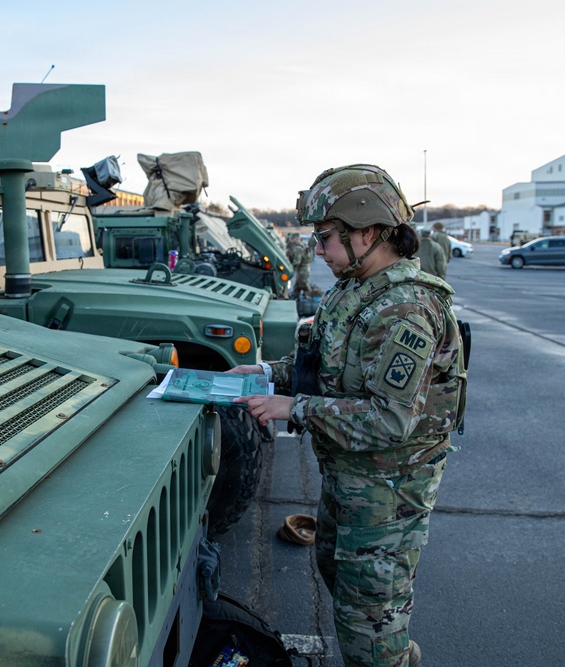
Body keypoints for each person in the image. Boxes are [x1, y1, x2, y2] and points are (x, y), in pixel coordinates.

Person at [230, 164, 466, 667]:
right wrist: (269, 373)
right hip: (351, 481)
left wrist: (293, 408)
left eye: (327, 237)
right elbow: (326, 366)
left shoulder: (405, 309)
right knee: (343, 587)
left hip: (388, 498)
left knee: (368, 629)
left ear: (368, 231)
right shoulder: (354, 290)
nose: (319, 249)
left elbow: (389, 420)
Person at [286, 232, 312, 299]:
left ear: (295, 239)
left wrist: (290, 270)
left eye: (291, 239)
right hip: (304, 268)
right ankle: (295, 297)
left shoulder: (298, 248)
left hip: (302, 269)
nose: (290, 240)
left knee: (303, 284)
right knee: (297, 285)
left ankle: (309, 296)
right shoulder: (302, 245)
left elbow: (297, 262)